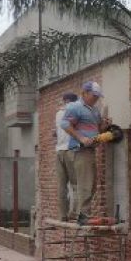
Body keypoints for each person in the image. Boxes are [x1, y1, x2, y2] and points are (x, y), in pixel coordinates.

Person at [61, 81, 110, 224]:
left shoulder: (94, 110)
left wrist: (104, 125)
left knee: (92, 183)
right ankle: (82, 215)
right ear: (85, 93)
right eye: (94, 95)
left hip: (90, 149)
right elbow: (65, 124)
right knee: (86, 183)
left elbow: (97, 129)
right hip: (80, 149)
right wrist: (81, 137)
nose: (96, 98)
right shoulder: (75, 107)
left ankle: (83, 214)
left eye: (97, 96)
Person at [55, 92, 78, 221]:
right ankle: (75, 213)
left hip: (59, 151)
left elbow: (57, 132)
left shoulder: (58, 114)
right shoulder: (74, 111)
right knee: (76, 184)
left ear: (65, 100)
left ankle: (63, 215)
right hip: (70, 150)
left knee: (62, 186)